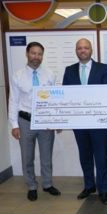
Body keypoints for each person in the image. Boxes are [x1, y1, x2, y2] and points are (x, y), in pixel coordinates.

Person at [8, 42, 61, 201]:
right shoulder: (17, 75)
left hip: (45, 121)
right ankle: (31, 185)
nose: (36, 57)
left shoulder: (50, 74)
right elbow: (13, 101)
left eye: (39, 54)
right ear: (27, 54)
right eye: (33, 53)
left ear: (42, 56)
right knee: (27, 156)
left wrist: (57, 120)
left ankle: (47, 184)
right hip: (25, 121)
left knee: (46, 156)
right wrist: (14, 125)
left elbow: (55, 100)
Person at [62, 38, 107, 205]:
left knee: (100, 157)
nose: (82, 50)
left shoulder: (102, 69)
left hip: (98, 123)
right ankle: (89, 185)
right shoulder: (69, 71)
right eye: (79, 48)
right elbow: (64, 96)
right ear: (76, 51)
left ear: (91, 50)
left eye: (86, 48)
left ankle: (103, 190)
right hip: (79, 123)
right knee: (84, 156)